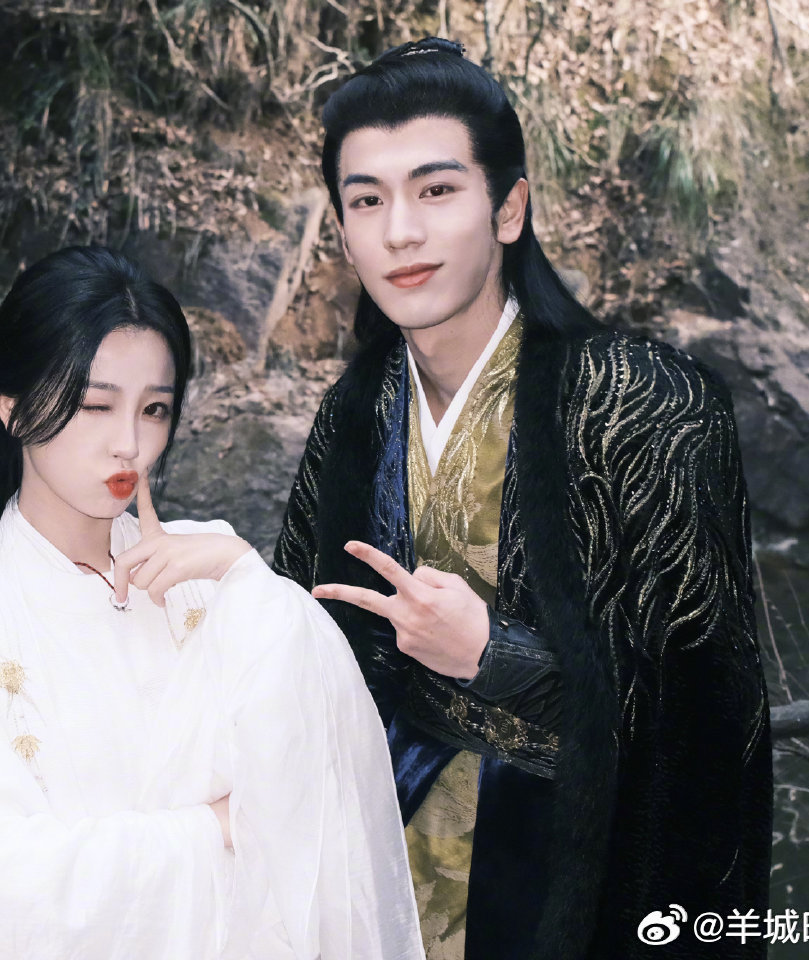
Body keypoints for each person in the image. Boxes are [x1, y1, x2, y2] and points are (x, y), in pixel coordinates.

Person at [271, 38, 771, 960]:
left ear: (509, 208)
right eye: (367, 200)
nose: (399, 232)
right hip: (380, 871)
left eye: (436, 190)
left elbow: (708, 722)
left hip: (575, 887)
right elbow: (298, 643)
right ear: (342, 231)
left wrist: (492, 656)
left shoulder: (644, 402)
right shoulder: (356, 412)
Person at [0, 245, 424, 960]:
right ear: (12, 408)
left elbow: (326, 785)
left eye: (154, 409)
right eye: (95, 405)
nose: (130, 445)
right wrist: (218, 827)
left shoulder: (214, 568)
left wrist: (251, 581)